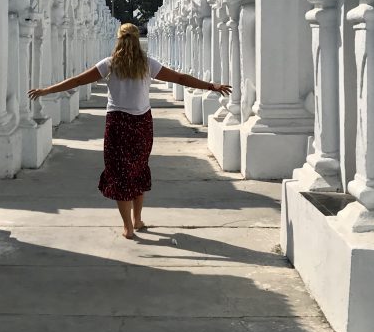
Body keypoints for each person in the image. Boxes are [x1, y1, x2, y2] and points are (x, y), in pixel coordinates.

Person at [28, 23, 232, 239]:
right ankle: (137, 218)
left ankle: (128, 226)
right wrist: (212, 86)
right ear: (137, 39)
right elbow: (181, 78)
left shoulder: (110, 64)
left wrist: (46, 90)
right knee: (138, 168)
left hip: (117, 122)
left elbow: (78, 80)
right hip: (142, 122)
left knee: (119, 173)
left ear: (119, 39)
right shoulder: (147, 64)